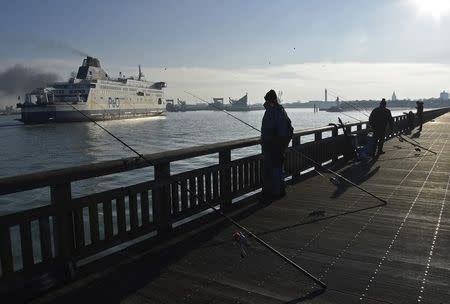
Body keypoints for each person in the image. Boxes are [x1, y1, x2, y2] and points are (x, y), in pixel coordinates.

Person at [261, 89, 293, 201]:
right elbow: (290, 129)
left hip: (272, 145)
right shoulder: (282, 110)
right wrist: (284, 144)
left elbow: (267, 130)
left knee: (274, 169)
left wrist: (268, 142)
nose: (264, 103)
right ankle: (281, 189)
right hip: (281, 144)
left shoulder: (271, 111)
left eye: (266, 101)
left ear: (270, 101)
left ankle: (274, 193)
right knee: (279, 168)